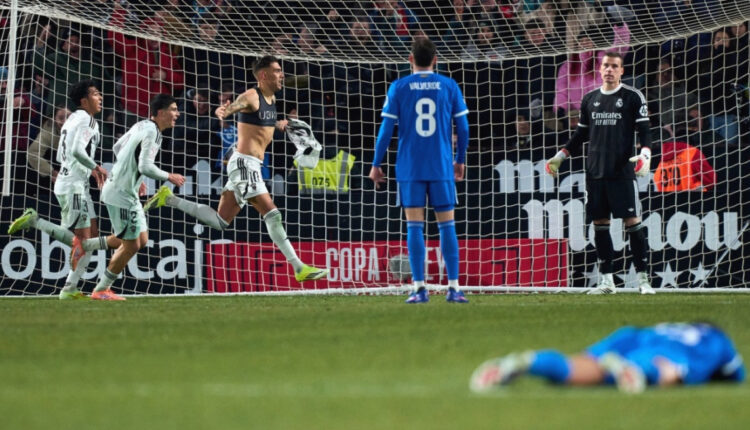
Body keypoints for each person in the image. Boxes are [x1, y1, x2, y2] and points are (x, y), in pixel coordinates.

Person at [144, 55, 328, 282]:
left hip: (248, 165)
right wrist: (223, 111)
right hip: (244, 164)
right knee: (272, 214)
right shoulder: (251, 95)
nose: (282, 75)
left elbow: (258, 127)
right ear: (263, 75)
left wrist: (279, 125)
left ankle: (169, 199)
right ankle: (299, 268)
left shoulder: (271, 99)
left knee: (220, 221)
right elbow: (233, 108)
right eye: (277, 70)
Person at [368, 37, 470, 304]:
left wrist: (376, 164)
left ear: (410, 59)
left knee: (414, 226)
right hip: (440, 165)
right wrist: (459, 159)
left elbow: (386, 131)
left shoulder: (399, 86)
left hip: (410, 167)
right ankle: (454, 288)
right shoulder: (449, 85)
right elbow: (464, 128)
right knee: (447, 225)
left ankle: (419, 288)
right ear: (435, 59)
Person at [545, 51, 655, 295]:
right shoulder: (590, 99)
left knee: (632, 223)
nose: (609, 70)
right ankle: (607, 282)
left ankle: (643, 280)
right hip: (595, 173)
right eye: (606, 65)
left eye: (614, 66)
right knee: (600, 224)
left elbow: (645, 131)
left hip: (621, 172)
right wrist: (560, 156)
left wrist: (646, 154)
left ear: (621, 70)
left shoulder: (632, 97)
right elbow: (580, 135)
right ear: (600, 68)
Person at [7, 80, 121, 299]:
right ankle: (35, 221)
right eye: (95, 94)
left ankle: (70, 288)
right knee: (82, 242)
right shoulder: (86, 120)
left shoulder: (74, 119)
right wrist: (95, 168)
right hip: (73, 185)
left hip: (76, 183)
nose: (100, 97)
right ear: (83, 101)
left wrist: (85, 169)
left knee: (92, 236)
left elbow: (62, 155)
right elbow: (77, 150)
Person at [82, 94, 185, 300]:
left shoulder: (142, 125)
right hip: (121, 193)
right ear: (161, 112)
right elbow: (145, 166)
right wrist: (169, 176)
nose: (178, 114)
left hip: (125, 190)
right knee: (131, 245)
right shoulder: (154, 133)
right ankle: (101, 289)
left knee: (141, 239)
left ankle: (84, 245)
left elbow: (118, 147)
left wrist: (135, 177)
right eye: (173, 109)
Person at [470, 322, 745, 394]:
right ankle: (632, 370)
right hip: (666, 352)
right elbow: (737, 375)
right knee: (667, 371)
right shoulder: (717, 339)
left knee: (578, 366)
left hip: (633, 335)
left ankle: (529, 361)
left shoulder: (668, 327)